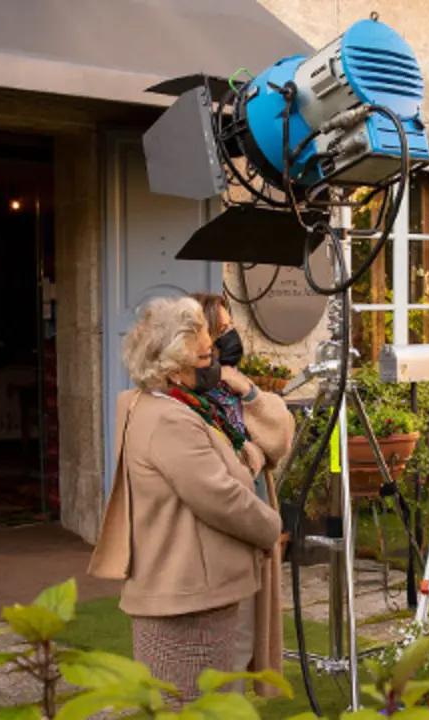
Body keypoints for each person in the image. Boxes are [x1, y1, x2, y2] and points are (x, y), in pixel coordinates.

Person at [88, 296, 288, 702]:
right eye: (203, 356)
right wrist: (271, 526)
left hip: (194, 588)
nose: (212, 361)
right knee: (199, 701)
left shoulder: (169, 406)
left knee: (200, 698)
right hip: (189, 595)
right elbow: (220, 497)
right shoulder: (170, 419)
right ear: (173, 366)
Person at [189, 292, 293, 695]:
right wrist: (254, 452)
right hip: (224, 536)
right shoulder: (191, 400)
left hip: (254, 529)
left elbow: (280, 437)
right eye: (222, 330)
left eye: (231, 327)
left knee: (246, 637)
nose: (231, 337)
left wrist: (248, 390)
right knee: (223, 648)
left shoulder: (231, 391)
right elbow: (227, 465)